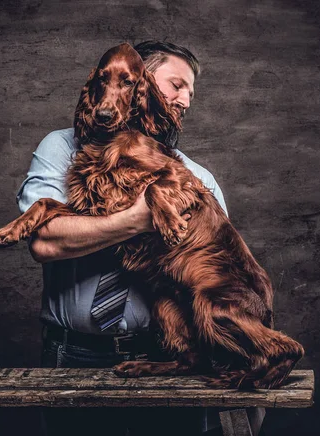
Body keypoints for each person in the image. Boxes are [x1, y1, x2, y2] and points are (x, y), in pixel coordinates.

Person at [16, 41, 261, 436]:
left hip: (164, 354)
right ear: (137, 81)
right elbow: (45, 242)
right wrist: (139, 219)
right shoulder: (61, 148)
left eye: (190, 93)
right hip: (73, 354)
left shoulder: (197, 180)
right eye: (176, 85)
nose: (184, 100)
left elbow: (209, 277)